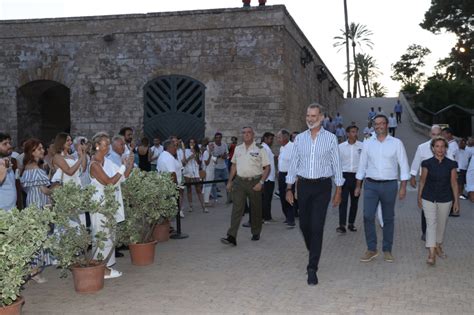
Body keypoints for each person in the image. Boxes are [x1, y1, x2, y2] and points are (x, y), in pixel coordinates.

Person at [285, 103, 343, 286]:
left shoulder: (331, 139)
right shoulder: (299, 139)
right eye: (308, 115)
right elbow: (294, 163)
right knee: (304, 225)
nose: (310, 119)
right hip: (304, 187)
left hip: (322, 187)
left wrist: (339, 190)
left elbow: (337, 165)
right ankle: (314, 249)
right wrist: (289, 187)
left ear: (321, 117)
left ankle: (312, 268)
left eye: (314, 116)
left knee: (317, 226)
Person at [355, 114, 410, 263]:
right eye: (376, 124)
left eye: (382, 123)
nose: (379, 126)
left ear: (387, 125)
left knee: (388, 218)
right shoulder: (367, 143)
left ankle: (387, 249)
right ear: (373, 126)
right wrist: (358, 186)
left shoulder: (396, 143)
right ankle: (371, 249)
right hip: (371, 185)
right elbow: (362, 165)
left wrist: (403, 187)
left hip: (390, 185)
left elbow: (404, 165)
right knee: (367, 216)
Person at [89, 132, 133, 279]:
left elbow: (123, 177)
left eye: (108, 143)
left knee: (109, 235)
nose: (108, 147)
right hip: (99, 203)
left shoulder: (107, 162)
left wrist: (128, 164)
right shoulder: (94, 164)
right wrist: (122, 166)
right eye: (105, 144)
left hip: (109, 203)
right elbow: (108, 182)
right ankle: (100, 268)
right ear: (97, 146)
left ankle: (105, 266)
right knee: (101, 235)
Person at [221, 126, 270, 246]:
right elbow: (234, 166)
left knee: (256, 208)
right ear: (242, 135)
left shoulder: (260, 149)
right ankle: (231, 236)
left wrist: (261, 183)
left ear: (253, 135)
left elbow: (267, 167)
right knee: (237, 209)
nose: (246, 134)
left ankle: (256, 231)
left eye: (249, 132)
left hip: (255, 181)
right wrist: (230, 181)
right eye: (244, 133)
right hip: (239, 182)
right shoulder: (238, 149)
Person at [417, 137, 459, 265]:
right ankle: (431, 253)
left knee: (441, 224)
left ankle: (438, 245)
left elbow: (454, 183)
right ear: (432, 148)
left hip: (445, 198)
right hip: (428, 197)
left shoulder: (451, 164)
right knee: (431, 225)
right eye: (437, 146)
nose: (440, 149)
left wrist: (456, 201)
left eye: (442, 146)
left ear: (446, 148)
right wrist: (419, 197)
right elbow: (422, 181)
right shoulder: (427, 163)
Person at [20, 138, 54, 283]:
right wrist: (56, 187)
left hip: (34, 202)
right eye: (39, 149)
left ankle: (35, 269)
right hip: (38, 204)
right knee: (38, 238)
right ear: (32, 152)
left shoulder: (28, 167)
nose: (43, 151)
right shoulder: (34, 169)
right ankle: (34, 271)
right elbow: (45, 190)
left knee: (38, 237)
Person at [409, 125, 445, 241]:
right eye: (434, 134)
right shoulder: (422, 147)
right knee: (426, 208)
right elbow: (416, 162)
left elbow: (450, 164)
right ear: (430, 134)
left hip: (441, 182)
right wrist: (412, 176)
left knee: (439, 208)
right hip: (426, 182)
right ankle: (425, 232)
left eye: (438, 134)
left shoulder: (445, 148)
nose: (436, 137)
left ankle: (436, 231)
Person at [337, 125, 363, 233]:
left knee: (354, 201)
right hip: (344, 176)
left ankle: (351, 223)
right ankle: (342, 225)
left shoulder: (362, 146)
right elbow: (337, 164)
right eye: (352, 132)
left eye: (356, 132)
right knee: (343, 201)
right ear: (347, 133)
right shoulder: (341, 147)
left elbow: (364, 163)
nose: (355, 134)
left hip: (357, 177)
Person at [276, 129, 295, 227]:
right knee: (282, 197)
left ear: (285, 137)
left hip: (289, 175)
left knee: (289, 197)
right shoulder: (282, 148)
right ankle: (287, 217)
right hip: (282, 175)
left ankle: (291, 220)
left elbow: (294, 164)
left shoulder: (293, 148)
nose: (277, 139)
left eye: (279, 137)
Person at [183, 138, 206, 213]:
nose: (191, 144)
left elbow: (199, 162)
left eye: (193, 142)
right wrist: (190, 157)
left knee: (198, 189)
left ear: (195, 143)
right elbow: (184, 162)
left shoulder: (198, 151)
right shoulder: (186, 151)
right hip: (187, 171)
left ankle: (203, 206)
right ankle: (191, 206)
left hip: (195, 171)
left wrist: (195, 155)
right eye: (190, 142)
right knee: (189, 189)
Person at [261, 132, 275, 223]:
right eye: (270, 139)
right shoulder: (263, 148)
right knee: (265, 199)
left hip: (270, 177)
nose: (272, 141)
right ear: (265, 138)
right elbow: (263, 164)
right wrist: (263, 178)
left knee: (268, 198)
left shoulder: (266, 148)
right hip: (267, 178)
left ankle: (268, 217)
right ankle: (265, 218)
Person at [0, 133, 16, 211]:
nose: (9, 146)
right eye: (5, 144)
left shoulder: (7, 161)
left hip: (11, 210)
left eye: (9, 143)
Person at [211, 132, 229, 203]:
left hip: (224, 167)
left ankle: (229, 198)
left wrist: (225, 156)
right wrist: (219, 156)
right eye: (216, 138)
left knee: (228, 183)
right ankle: (215, 198)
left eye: (219, 138)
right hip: (215, 167)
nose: (218, 139)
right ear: (214, 138)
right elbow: (211, 158)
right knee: (214, 183)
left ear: (221, 138)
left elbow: (227, 156)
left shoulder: (224, 145)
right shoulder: (212, 145)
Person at [201, 139, 217, 206]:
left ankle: (206, 201)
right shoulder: (206, 153)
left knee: (209, 187)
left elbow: (215, 162)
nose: (212, 146)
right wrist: (210, 155)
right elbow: (206, 163)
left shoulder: (212, 152)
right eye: (211, 145)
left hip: (211, 172)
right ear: (208, 146)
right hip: (207, 172)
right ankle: (206, 202)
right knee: (207, 187)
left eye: (213, 145)